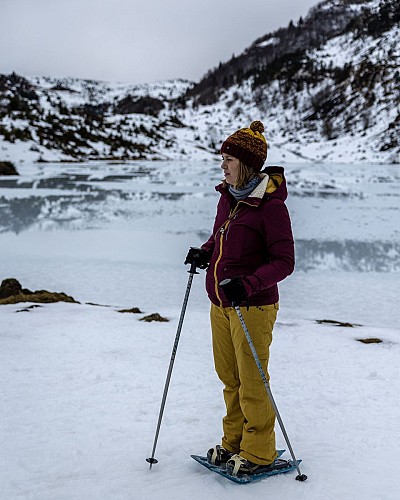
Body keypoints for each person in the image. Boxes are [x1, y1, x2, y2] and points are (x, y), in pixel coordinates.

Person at [185, 120, 295, 476]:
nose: (223, 165)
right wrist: (204, 252)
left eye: (228, 159)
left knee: (252, 382)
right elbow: (219, 237)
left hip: (253, 305)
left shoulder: (270, 207)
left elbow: (284, 262)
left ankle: (259, 451)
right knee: (229, 378)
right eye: (223, 159)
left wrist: (247, 285)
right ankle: (234, 441)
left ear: (245, 164)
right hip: (221, 304)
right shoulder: (228, 198)